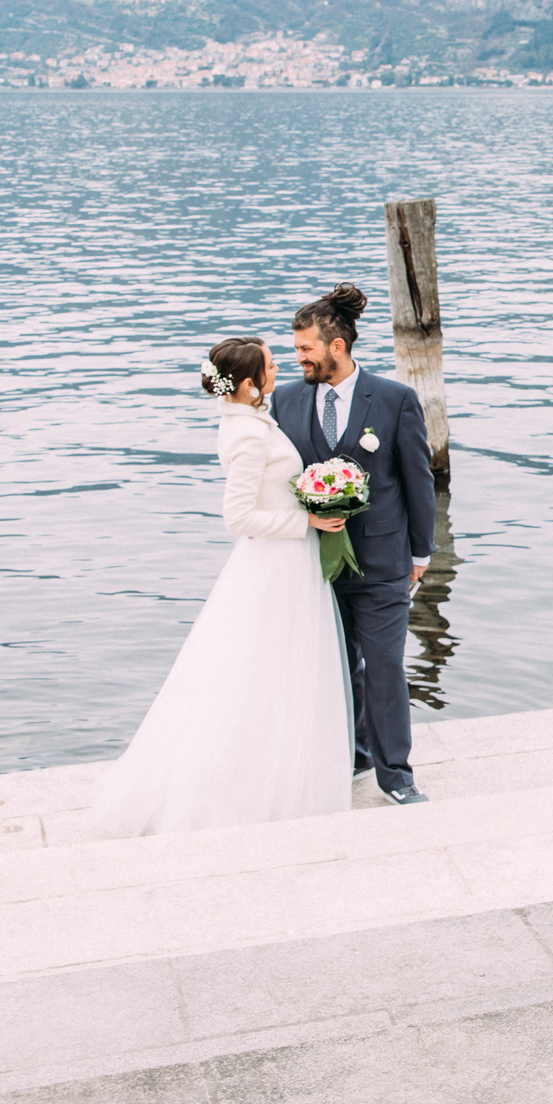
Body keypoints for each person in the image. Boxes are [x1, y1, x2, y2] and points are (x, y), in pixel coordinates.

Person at [89, 336, 355, 834]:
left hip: (286, 562)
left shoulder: (251, 420)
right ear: (251, 383)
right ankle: (258, 782)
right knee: (268, 668)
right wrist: (308, 524)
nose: (281, 370)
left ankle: (276, 766)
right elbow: (237, 517)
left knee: (275, 669)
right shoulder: (248, 435)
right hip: (275, 564)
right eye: (272, 366)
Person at [274, 285, 437, 803]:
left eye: (305, 349)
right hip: (314, 565)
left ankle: (397, 775)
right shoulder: (286, 400)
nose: (297, 358)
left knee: (385, 663)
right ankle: (352, 756)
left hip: (382, 562)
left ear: (337, 346)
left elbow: (418, 480)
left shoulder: (394, 400)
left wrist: (419, 553)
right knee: (336, 665)